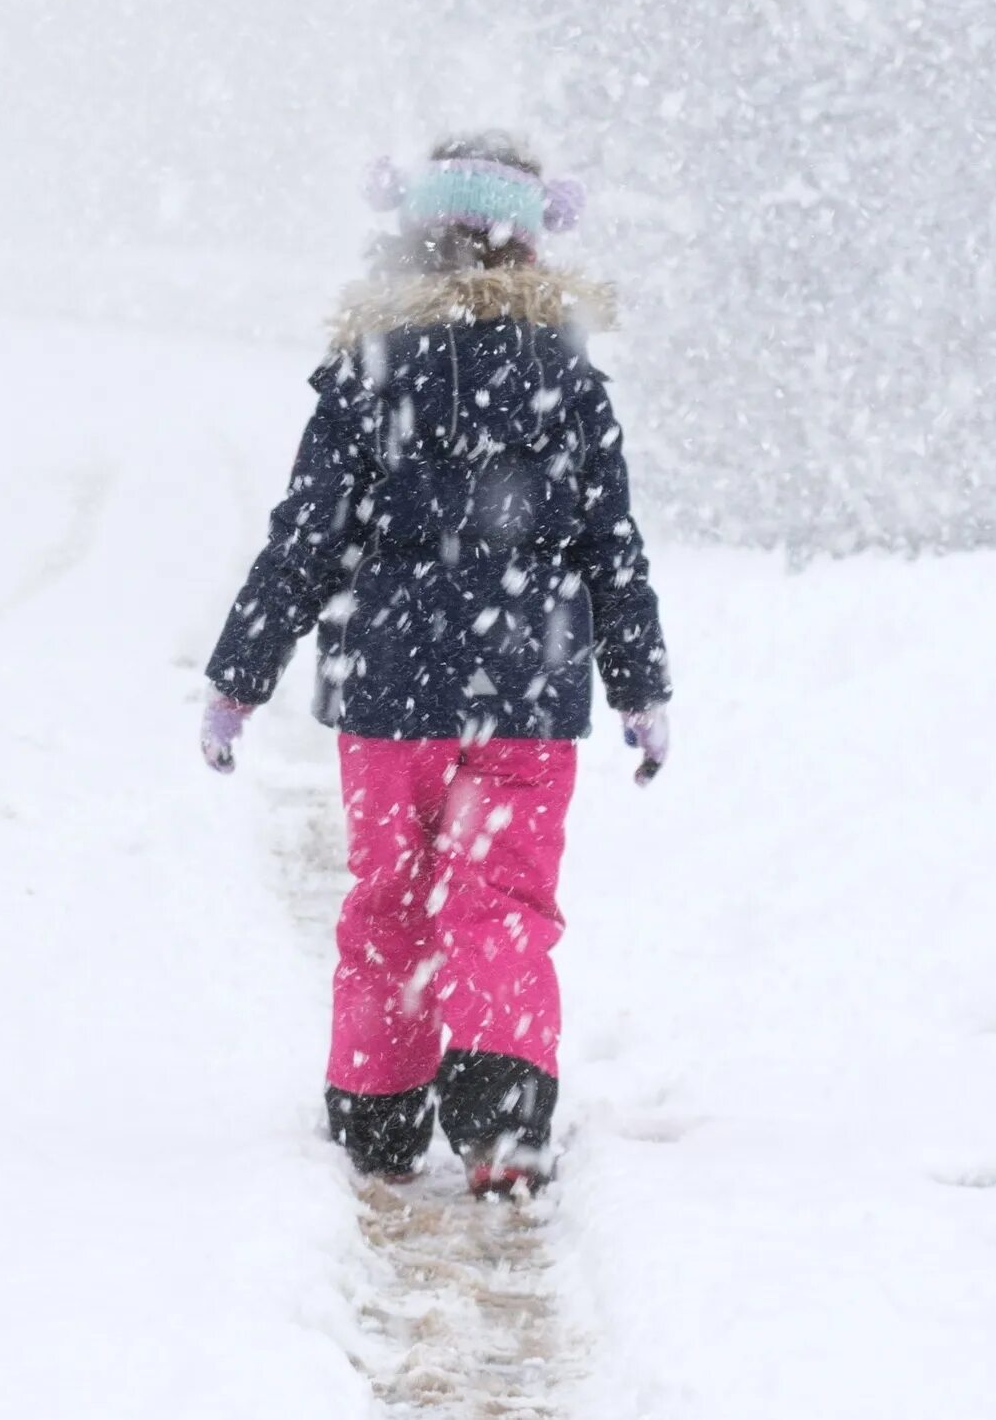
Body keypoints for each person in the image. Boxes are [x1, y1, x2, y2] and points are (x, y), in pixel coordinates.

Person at [199, 132, 672, 1197]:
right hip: (525, 689)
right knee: (501, 900)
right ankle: (503, 1120)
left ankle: (376, 1114)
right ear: (532, 246)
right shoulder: (569, 382)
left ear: (407, 235)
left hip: (389, 691)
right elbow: (612, 547)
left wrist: (241, 673)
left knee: (390, 900)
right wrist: (641, 685)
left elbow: (306, 538)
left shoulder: (369, 373)